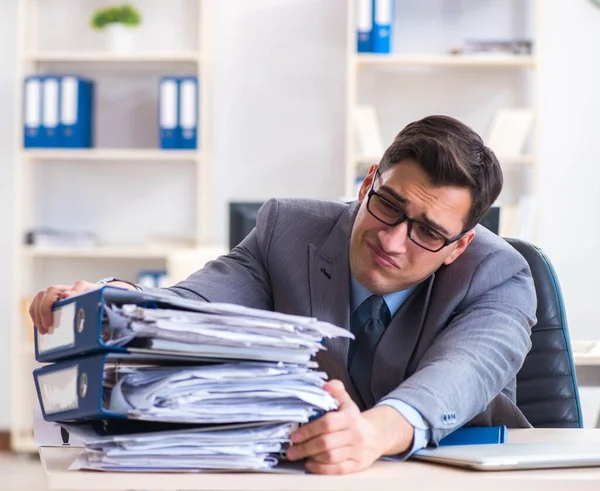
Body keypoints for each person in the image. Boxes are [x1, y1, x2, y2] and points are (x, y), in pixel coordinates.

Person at [30, 115, 536, 475]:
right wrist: (118, 302)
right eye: (387, 205)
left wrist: (376, 432)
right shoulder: (288, 230)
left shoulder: (497, 272)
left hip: (458, 472)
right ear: (367, 185)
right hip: (307, 470)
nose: (392, 239)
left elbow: (461, 373)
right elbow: (198, 304)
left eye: (427, 232)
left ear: (459, 245)